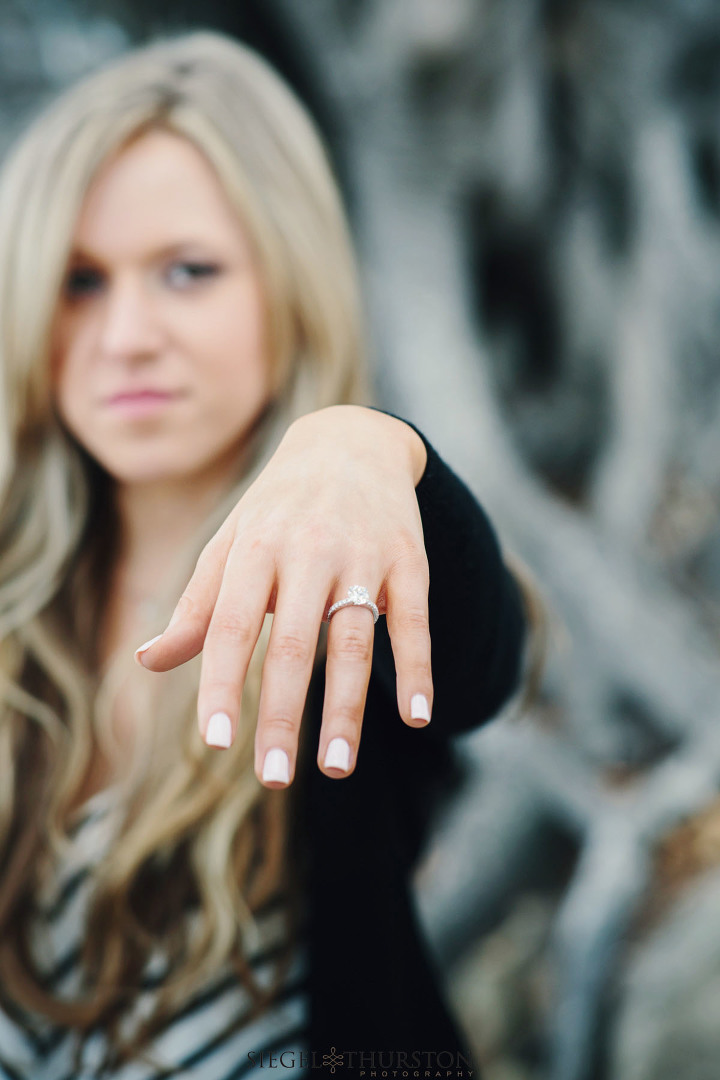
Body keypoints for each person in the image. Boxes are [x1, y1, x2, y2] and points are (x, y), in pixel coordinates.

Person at [0, 29, 532, 1079]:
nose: (127, 336)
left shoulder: (352, 569)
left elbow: (482, 664)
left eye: (187, 272)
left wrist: (372, 448)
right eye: (79, 282)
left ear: (289, 279)